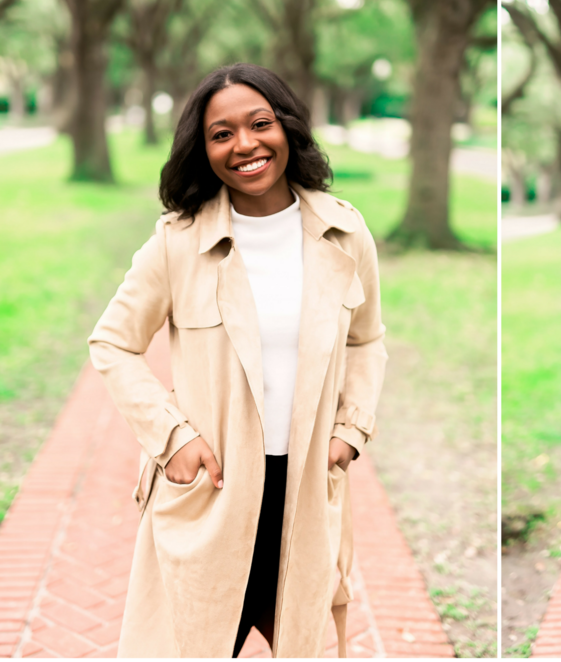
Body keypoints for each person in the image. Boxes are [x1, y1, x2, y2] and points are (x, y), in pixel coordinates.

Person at [89, 63, 387, 657]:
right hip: (211, 493)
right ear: (202, 151)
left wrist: (349, 431)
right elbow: (112, 342)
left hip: (303, 494)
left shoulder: (344, 233)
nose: (245, 145)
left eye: (260, 124)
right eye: (221, 134)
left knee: (305, 643)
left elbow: (367, 339)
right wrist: (171, 437)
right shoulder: (178, 241)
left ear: (288, 129)